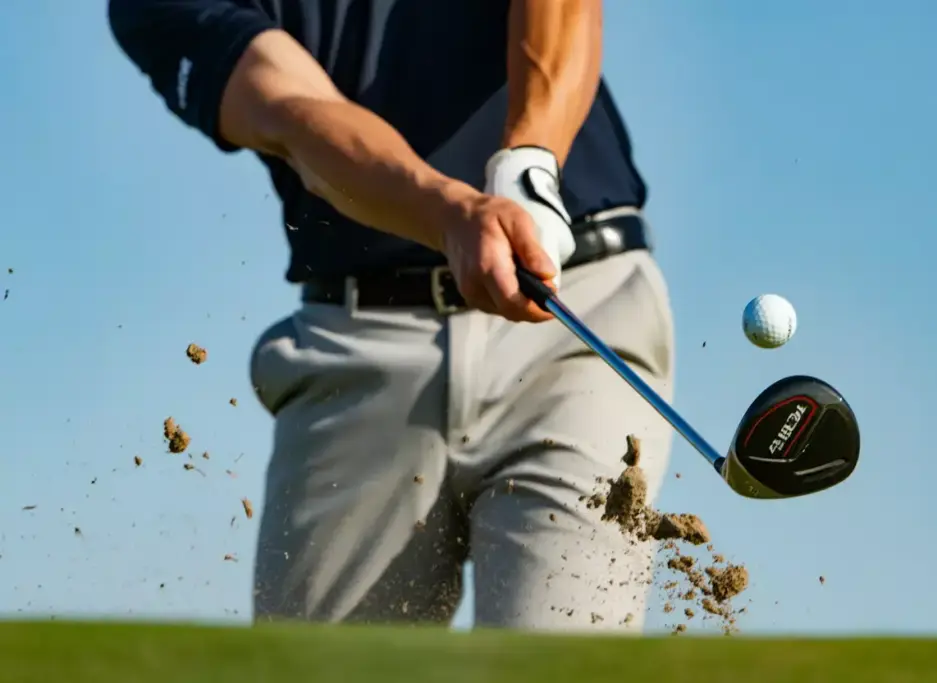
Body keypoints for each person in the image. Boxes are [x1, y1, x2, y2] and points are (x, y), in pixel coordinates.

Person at [107, 0, 675, 632]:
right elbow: (295, 115)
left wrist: (527, 169)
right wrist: (450, 212)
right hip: (355, 351)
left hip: (571, 318)